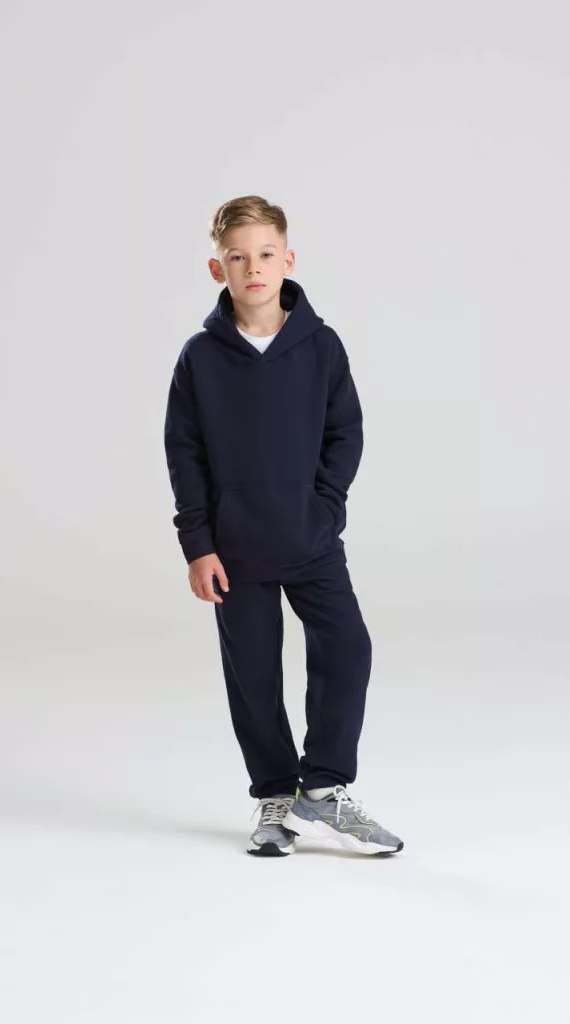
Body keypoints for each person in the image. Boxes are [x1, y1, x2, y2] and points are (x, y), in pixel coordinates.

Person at [163, 195, 403, 858]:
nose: (253, 268)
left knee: (347, 647)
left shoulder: (320, 346)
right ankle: (274, 797)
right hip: (233, 549)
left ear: (288, 260)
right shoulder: (199, 358)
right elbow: (183, 453)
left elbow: (345, 432)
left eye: (265, 254)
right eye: (237, 257)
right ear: (218, 269)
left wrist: (325, 508)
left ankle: (321, 787)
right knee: (254, 676)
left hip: (310, 541)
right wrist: (197, 544)